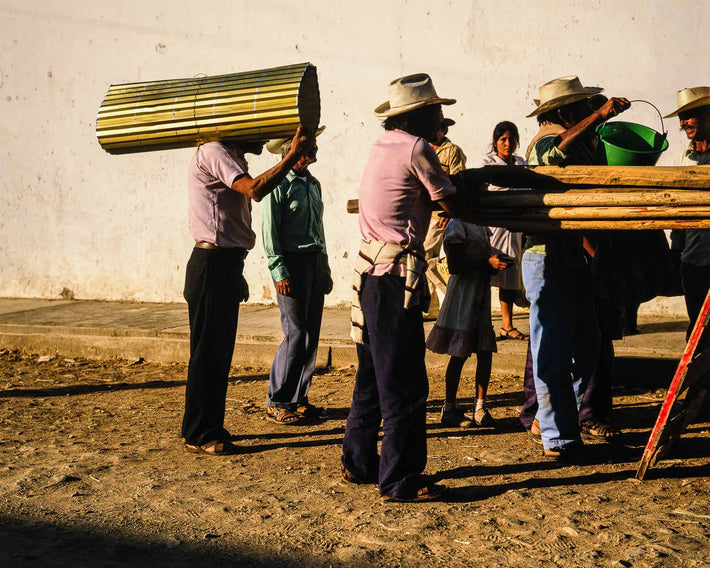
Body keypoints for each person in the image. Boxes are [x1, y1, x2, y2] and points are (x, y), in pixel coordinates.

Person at [342, 73, 464, 502]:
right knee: (405, 385)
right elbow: (449, 200)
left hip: (369, 273)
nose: (442, 119)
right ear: (420, 115)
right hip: (394, 277)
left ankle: (358, 462)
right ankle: (400, 479)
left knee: (373, 376)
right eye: (436, 111)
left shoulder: (382, 147)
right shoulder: (418, 148)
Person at [182, 127, 313, 456]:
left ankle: (206, 425)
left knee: (218, 352)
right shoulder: (214, 150)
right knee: (208, 353)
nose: (265, 139)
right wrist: (292, 155)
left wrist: (235, 270)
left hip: (224, 261)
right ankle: (200, 432)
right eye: (261, 130)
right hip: (212, 261)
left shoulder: (232, 155)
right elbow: (254, 190)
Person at [523, 76, 630, 460]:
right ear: (567, 112)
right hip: (545, 257)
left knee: (587, 344)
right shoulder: (544, 140)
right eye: (584, 108)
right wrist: (600, 114)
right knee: (550, 348)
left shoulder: (582, 143)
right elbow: (550, 157)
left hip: (571, 258)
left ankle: (550, 420)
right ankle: (558, 437)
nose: (590, 113)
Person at [261, 128, 332, 425]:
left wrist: (325, 268)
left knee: (311, 335)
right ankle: (277, 400)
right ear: (290, 150)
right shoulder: (277, 185)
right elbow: (270, 231)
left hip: (313, 262)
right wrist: (279, 271)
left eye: (313, 144)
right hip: (291, 263)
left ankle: (298, 397)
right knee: (295, 333)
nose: (313, 148)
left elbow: (319, 230)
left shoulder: (313, 184)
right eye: (307, 145)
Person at [426, 218, 508, 428]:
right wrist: (486, 262)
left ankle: (480, 407)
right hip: (463, 296)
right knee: (459, 353)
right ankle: (449, 407)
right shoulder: (457, 225)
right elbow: (455, 265)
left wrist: (494, 263)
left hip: (479, 293)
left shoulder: (479, 224)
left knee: (484, 351)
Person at [666, 87, 710, 336]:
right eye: (682, 118)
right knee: (697, 329)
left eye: (690, 115)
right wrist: (676, 248)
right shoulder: (681, 158)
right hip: (693, 259)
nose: (684, 123)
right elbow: (676, 207)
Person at [481, 121, 528, 341]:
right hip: (494, 228)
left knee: (509, 274)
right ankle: (482, 325)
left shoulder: (522, 163)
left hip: (516, 228)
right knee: (488, 273)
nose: (508, 144)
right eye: (503, 139)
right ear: (495, 142)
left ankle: (506, 325)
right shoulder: (488, 164)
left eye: (511, 139)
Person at [422, 118, 467, 319]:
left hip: (441, 215)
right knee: (424, 256)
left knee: (429, 257)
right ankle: (431, 305)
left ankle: (451, 298)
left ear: (442, 130)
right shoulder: (423, 148)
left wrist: (450, 211)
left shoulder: (452, 151)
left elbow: (458, 181)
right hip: (424, 213)